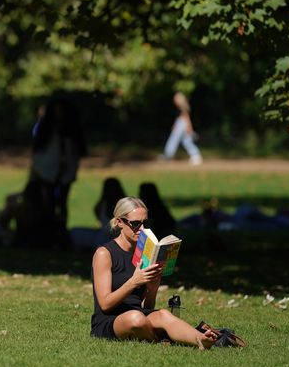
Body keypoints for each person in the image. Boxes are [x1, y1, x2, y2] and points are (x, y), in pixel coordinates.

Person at [91, 196, 218, 348]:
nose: (142, 229)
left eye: (146, 223)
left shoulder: (146, 252)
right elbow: (105, 304)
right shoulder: (104, 253)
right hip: (110, 321)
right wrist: (133, 282)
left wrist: (153, 287)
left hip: (139, 315)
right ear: (120, 222)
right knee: (136, 319)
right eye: (136, 224)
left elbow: (146, 307)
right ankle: (160, 340)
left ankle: (201, 339)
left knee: (163, 314)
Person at [29, 97, 87, 247]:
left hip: (65, 173)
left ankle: (60, 235)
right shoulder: (46, 129)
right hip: (47, 172)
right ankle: (47, 235)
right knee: (47, 204)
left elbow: (75, 152)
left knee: (61, 203)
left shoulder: (70, 130)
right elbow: (38, 153)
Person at [162, 91, 203, 165]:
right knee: (185, 141)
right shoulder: (180, 107)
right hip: (181, 123)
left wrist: (189, 128)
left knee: (175, 139)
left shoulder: (183, 106)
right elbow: (180, 117)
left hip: (182, 124)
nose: (174, 100)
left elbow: (186, 118)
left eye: (176, 99)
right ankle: (195, 155)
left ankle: (168, 154)